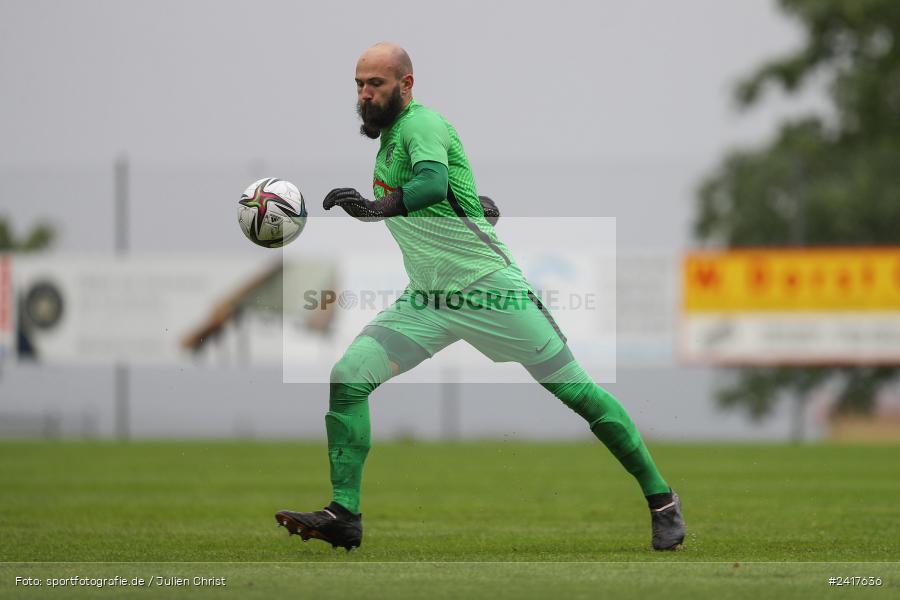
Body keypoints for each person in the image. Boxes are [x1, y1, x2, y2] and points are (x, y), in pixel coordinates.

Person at [276, 42, 684, 552]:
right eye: (359, 84)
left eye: (375, 83)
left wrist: (379, 206)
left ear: (406, 85)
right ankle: (344, 513)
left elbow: (431, 183)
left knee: (579, 394)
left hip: (490, 292)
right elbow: (447, 196)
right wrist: (456, 206)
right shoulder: (390, 141)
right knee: (348, 378)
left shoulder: (421, 124)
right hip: (428, 302)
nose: (364, 94)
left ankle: (662, 499)